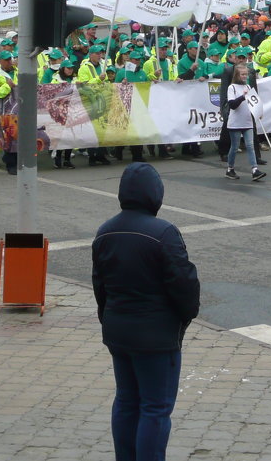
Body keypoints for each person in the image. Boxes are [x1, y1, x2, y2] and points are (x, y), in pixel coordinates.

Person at [92, 163, 200, 461]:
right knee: (155, 407)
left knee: (126, 401)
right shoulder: (163, 233)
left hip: (118, 331)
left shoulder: (105, 231)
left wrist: (109, 318)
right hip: (156, 337)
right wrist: (184, 317)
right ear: (156, 194)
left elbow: (99, 285)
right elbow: (185, 285)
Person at [224, 64, 266, 182]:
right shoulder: (231, 88)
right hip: (236, 122)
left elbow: (254, 102)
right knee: (234, 146)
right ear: (237, 75)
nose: (244, 76)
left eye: (246, 74)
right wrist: (243, 96)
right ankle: (230, 168)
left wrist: (258, 111)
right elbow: (232, 105)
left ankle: (255, 170)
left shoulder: (248, 86)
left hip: (247, 121)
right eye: (242, 74)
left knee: (250, 146)